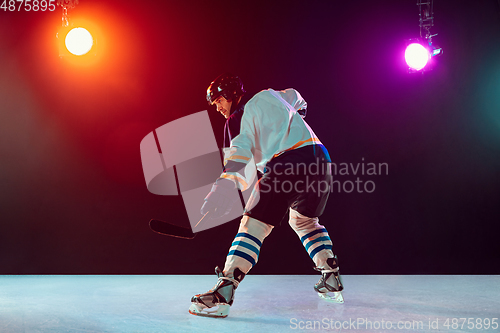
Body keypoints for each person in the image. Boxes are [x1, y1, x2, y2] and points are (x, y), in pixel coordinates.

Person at [188, 73, 344, 318]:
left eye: (218, 100)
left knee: (253, 224)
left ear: (230, 95)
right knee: (303, 221)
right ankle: (331, 277)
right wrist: (289, 122)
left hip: (287, 163)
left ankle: (224, 291)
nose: (216, 107)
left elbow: (237, 158)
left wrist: (222, 189)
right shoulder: (273, 94)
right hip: (321, 160)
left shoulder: (236, 119)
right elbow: (298, 98)